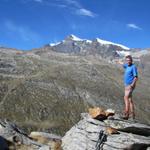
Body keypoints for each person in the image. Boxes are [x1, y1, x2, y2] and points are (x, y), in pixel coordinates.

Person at [122, 55, 138, 120]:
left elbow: (136, 77)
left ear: (131, 61)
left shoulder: (133, 67)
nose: (128, 62)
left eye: (129, 60)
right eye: (127, 60)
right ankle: (133, 114)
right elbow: (123, 65)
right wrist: (118, 61)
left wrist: (132, 85)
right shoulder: (126, 66)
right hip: (126, 85)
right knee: (130, 99)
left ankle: (126, 114)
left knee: (125, 97)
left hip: (130, 85)